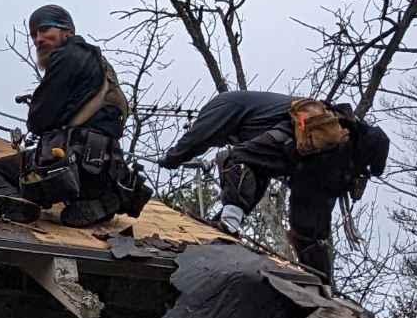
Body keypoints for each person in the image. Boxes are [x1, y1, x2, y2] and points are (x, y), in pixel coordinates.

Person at [158, 88, 391, 284]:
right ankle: (323, 287)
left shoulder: (223, 103)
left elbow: (199, 137)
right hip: (331, 160)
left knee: (232, 159)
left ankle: (228, 225)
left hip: (302, 137)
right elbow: (256, 177)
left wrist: (171, 159)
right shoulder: (261, 130)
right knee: (306, 234)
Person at [0, 6, 139, 226]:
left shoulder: (65, 56)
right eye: (34, 35)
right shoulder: (102, 67)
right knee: (75, 186)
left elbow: (39, 121)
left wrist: (39, 104)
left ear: (66, 30)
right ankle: (104, 202)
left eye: (45, 29)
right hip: (106, 172)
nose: (38, 39)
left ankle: (15, 201)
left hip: (68, 167)